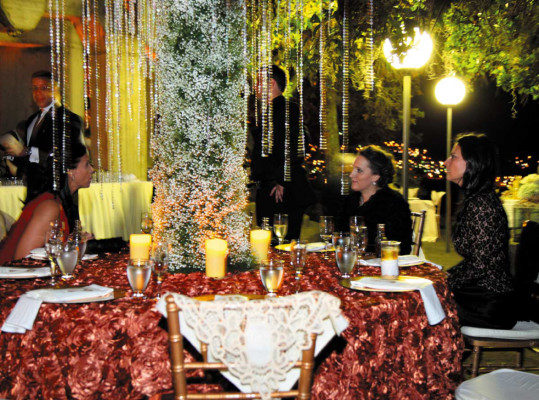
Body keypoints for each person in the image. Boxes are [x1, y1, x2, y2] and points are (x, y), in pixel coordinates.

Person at [444, 133, 517, 329]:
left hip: (488, 304)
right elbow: (475, 263)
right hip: (479, 295)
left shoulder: (482, 205)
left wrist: (441, 281)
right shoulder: (477, 200)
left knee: (424, 306)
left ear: (473, 163)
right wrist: (441, 276)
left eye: (453, 157)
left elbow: (479, 267)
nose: (445, 162)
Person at [249, 65, 315, 240]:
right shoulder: (273, 111)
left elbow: (300, 144)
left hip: (282, 192)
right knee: (271, 244)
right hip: (274, 188)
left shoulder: (287, 110)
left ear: (271, 83)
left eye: (258, 81)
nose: (254, 87)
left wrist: (281, 179)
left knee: (280, 246)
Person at [0, 142, 94, 263]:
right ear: (70, 171)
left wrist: (72, 242)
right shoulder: (49, 207)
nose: (92, 170)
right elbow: (22, 260)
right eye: (87, 165)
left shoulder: (57, 202)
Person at [10, 71, 85, 202]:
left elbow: (71, 158)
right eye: (34, 88)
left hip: (58, 195)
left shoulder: (69, 119)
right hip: (33, 194)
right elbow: (28, 159)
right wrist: (13, 154)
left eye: (44, 88)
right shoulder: (31, 120)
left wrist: (28, 151)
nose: (38, 93)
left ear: (56, 89)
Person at [338, 145, 412, 254]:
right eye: (353, 169)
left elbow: (402, 248)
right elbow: (338, 237)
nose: (351, 175)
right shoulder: (350, 201)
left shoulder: (393, 203)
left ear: (375, 176)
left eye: (359, 170)